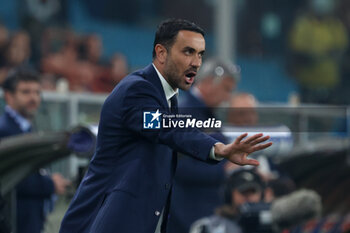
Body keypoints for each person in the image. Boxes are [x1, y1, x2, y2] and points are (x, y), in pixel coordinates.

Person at [59, 18, 272, 233]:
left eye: (200, 54)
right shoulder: (136, 90)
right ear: (161, 53)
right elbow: (165, 126)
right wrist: (217, 149)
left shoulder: (168, 99)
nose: (196, 63)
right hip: (106, 220)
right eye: (188, 52)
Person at [168, 58, 240, 233]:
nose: (228, 97)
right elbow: (178, 166)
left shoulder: (206, 116)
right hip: (187, 214)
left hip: (201, 212)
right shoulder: (184, 114)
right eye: (226, 89)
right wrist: (224, 170)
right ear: (208, 83)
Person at [0, 68, 70, 233]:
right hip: (14, 222)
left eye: (37, 92)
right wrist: (50, 184)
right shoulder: (4, 130)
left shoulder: (29, 128)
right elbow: (10, 178)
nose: (33, 98)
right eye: (26, 92)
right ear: (8, 96)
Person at [190, 169, 265, 233]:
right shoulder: (207, 226)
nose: (248, 198)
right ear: (229, 195)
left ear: (261, 195)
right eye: (244, 192)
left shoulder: (274, 222)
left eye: (252, 192)